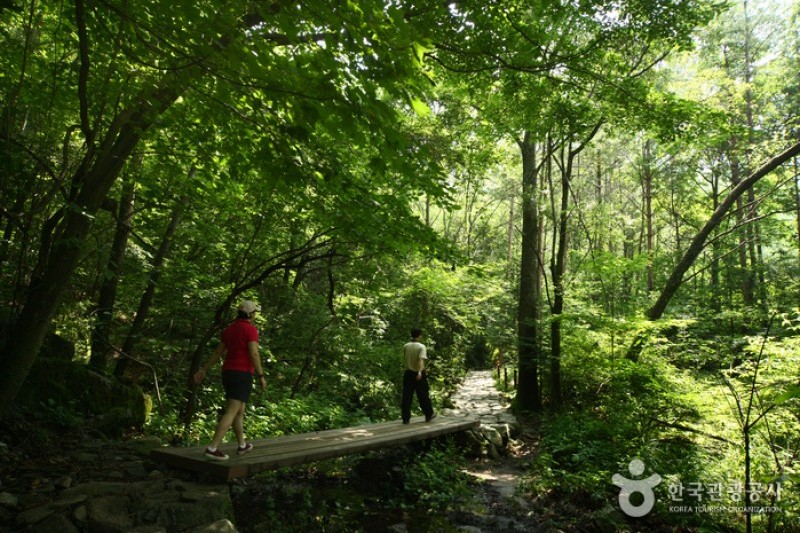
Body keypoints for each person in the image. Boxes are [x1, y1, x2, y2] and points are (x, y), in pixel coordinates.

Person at [193, 300, 266, 460]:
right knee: (232, 411)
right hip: (242, 373)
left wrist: (204, 369)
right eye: (255, 312)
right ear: (250, 314)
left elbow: (218, 353)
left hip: (228, 372)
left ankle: (242, 445)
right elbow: (254, 354)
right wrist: (261, 376)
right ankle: (212, 448)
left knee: (239, 410)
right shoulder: (250, 330)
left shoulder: (229, 330)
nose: (255, 315)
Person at [401, 327, 436, 424]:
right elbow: (420, 360)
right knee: (423, 395)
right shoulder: (421, 346)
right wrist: (420, 372)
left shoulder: (406, 346)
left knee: (407, 396)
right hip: (418, 373)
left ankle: (405, 418)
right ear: (419, 335)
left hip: (408, 373)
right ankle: (429, 414)